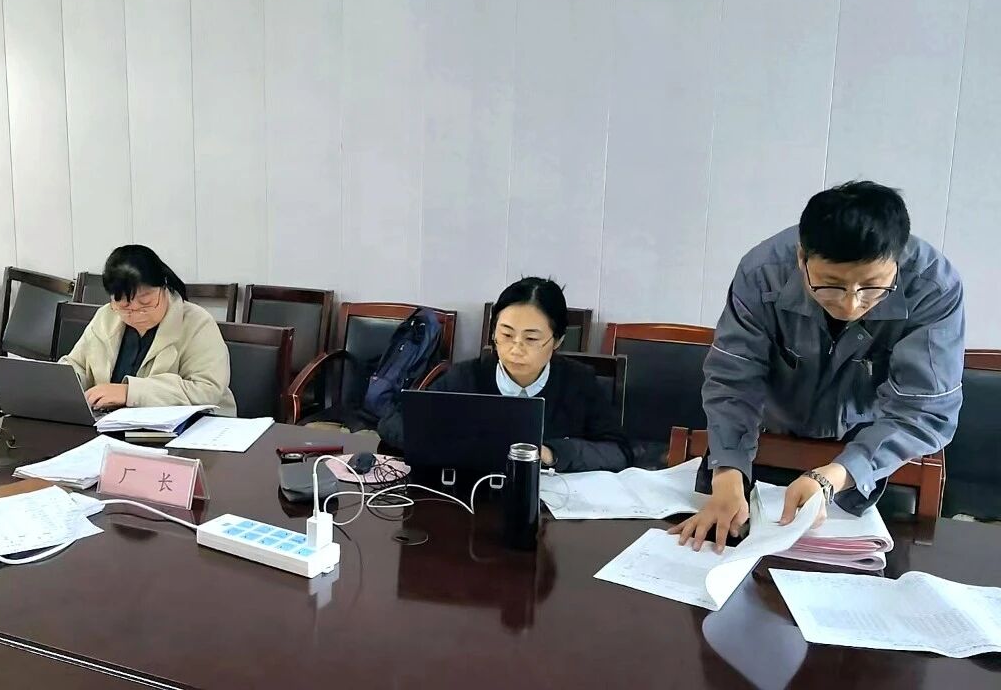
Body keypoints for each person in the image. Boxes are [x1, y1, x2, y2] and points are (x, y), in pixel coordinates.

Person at [672, 181, 965, 552]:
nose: (851, 304)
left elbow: (925, 411)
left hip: (871, 457)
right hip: (766, 444)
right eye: (831, 285)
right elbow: (733, 380)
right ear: (801, 259)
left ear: (897, 262)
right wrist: (728, 474)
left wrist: (836, 476)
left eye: (873, 286)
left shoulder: (933, 287)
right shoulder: (762, 273)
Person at [379, 277, 632, 472]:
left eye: (531, 339)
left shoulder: (579, 382)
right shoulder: (464, 378)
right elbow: (392, 422)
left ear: (557, 341)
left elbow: (618, 451)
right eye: (507, 334)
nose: (515, 349)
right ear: (493, 332)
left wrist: (551, 453)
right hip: (475, 501)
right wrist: (451, 442)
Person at [58, 244, 236, 415]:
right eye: (125, 307)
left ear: (163, 286)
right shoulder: (106, 317)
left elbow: (206, 389)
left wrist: (130, 393)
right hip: (112, 424)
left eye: (146, 304)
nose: (136, 315)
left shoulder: (197, 323)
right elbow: (76, 365)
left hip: (190, 428)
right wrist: (65, 383)